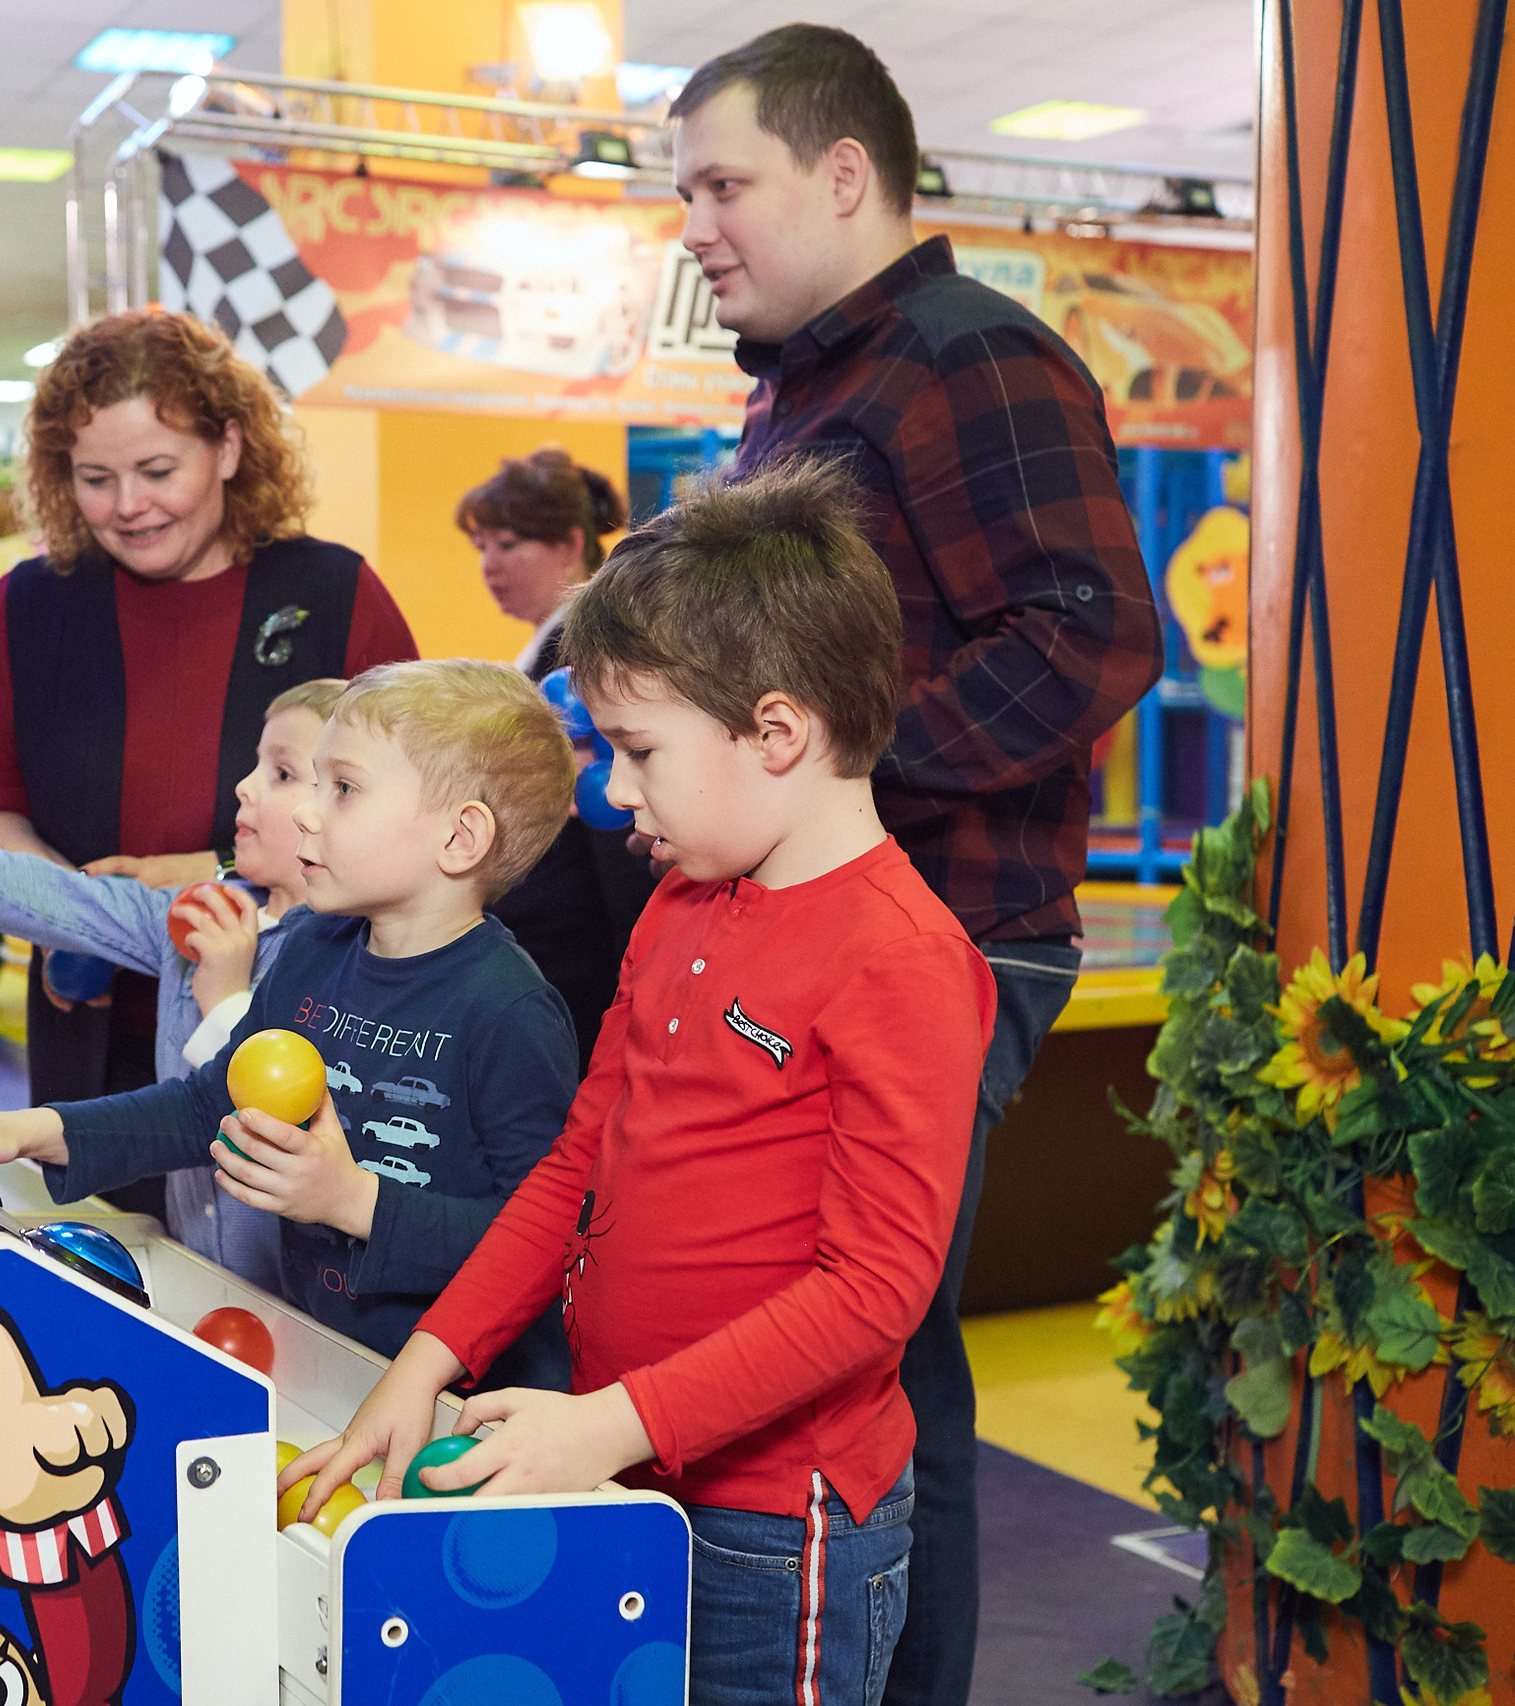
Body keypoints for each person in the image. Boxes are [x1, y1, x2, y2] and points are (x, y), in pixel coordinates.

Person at [286, 461, 995, 1706]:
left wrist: (610, 1421)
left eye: (637, 750)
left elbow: (875, 1290)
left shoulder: (904, 958)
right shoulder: (678, 902)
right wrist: (429, 1358)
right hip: (625, 1465)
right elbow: (578, 1162)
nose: (613, 792)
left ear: (776, 731)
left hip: (776, 1528)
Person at [666, 26, 1165, 1704]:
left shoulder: (967, 358)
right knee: (837, 1342)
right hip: (807, 936)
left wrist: (839, 787)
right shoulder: (801, 378)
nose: (697, 225)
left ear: (845, 173)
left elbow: (1094, 633)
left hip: (938, 938)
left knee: (862, 1358)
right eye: (688, 193)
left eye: (724, 183)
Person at [0, 660, 579, 1388]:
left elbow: (540, 1243)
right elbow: (208, 1105)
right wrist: (27, 1132)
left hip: (463, 1404)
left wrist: (354, 1202)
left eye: (342, 789)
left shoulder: (508, 1011)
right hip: (325, 1358)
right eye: (313, 783)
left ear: (460, 839)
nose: (310, 811)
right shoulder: (315, 949)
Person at [0, 308, 420, 1220]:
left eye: (159, 470)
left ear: (230, 449)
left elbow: (403, 814)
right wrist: (90, 913)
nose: (130, 505)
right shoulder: (29, 610)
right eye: (96, 478)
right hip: (92, 1039)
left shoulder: (333, 596)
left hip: (294, 1036)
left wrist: (213, 880)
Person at [0, 678, 346, 1288]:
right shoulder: (203, 913)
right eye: (256, 765)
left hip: (300, 1298)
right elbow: (65, 899)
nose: (244, 786)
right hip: (202, 1265)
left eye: (283, 774)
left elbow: (283, 1114)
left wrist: (224, 1001)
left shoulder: (346, 948)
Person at [460, 447, 657, 1070]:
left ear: (571, 543)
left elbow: (603, 821)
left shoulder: (588, 647)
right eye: (482, 547)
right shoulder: (551, 643)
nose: (491, 565)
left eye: (509, 544)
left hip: (580, 938)